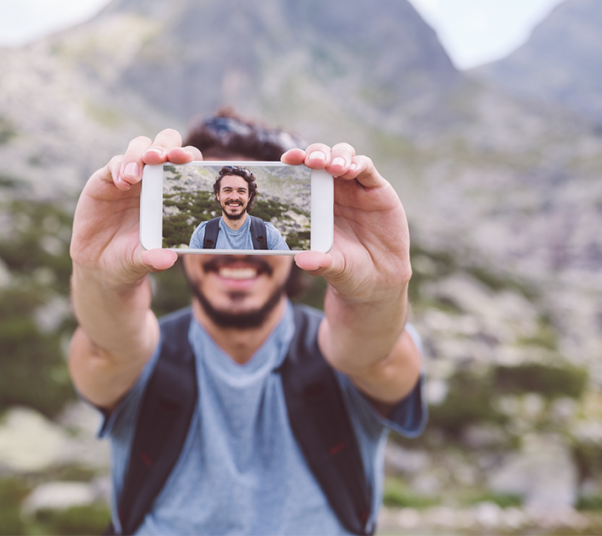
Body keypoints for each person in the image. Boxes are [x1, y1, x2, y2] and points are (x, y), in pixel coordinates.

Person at [68, 110, 425, 535]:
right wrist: (98, 278)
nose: (237, 257)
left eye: (242, 190)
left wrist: (380, 293)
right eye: (226, 190)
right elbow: (107, 348)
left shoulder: (336, 346)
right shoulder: (147, 349)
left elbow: (375, 357)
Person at [188, 165, 291, 251]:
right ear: (218, 195)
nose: (234, 197)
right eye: (227, 190)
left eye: (241, 191)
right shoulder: (202, 233)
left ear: (249, 196)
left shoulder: (269, 233)